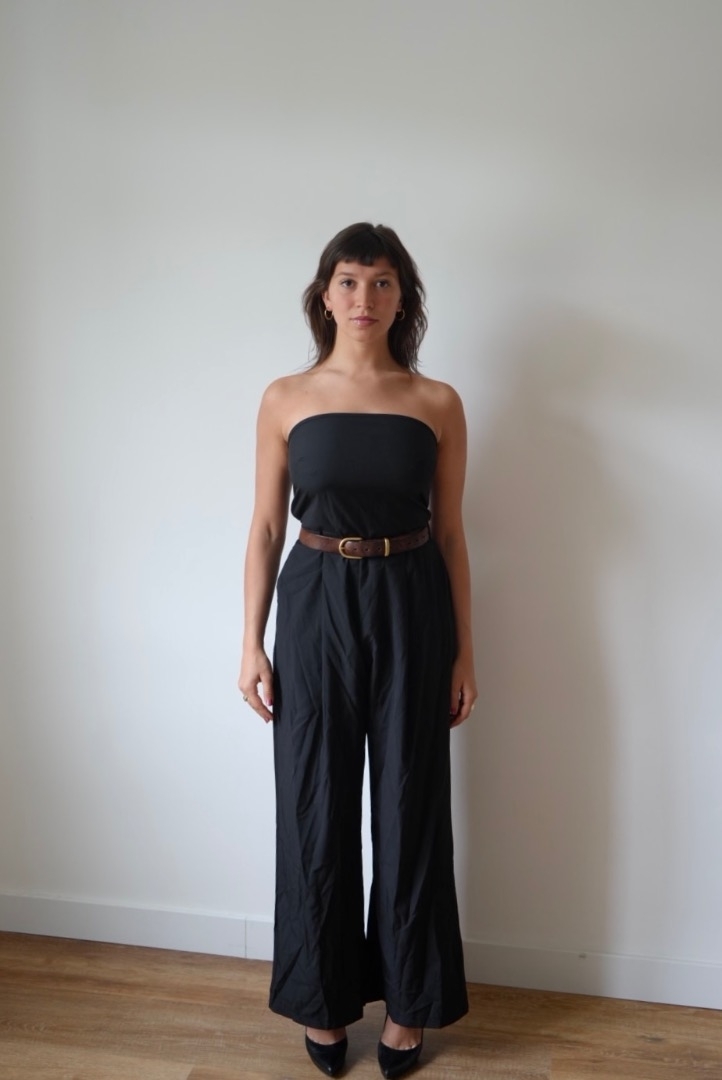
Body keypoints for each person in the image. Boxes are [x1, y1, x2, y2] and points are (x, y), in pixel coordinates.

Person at [238, 222, 477, 1078]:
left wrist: (465, 653)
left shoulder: (436, 402)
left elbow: (451, 534)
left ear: (402, 298)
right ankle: (323, 999)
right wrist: (251, 642)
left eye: (381, 282)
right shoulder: (286, 397)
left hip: (412, 601)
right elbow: (266, 529)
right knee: (315, 803)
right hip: (313, 605)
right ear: (325, 295)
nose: (364, 297)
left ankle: (410, 1005)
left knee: (411, 805)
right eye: (349, 280)